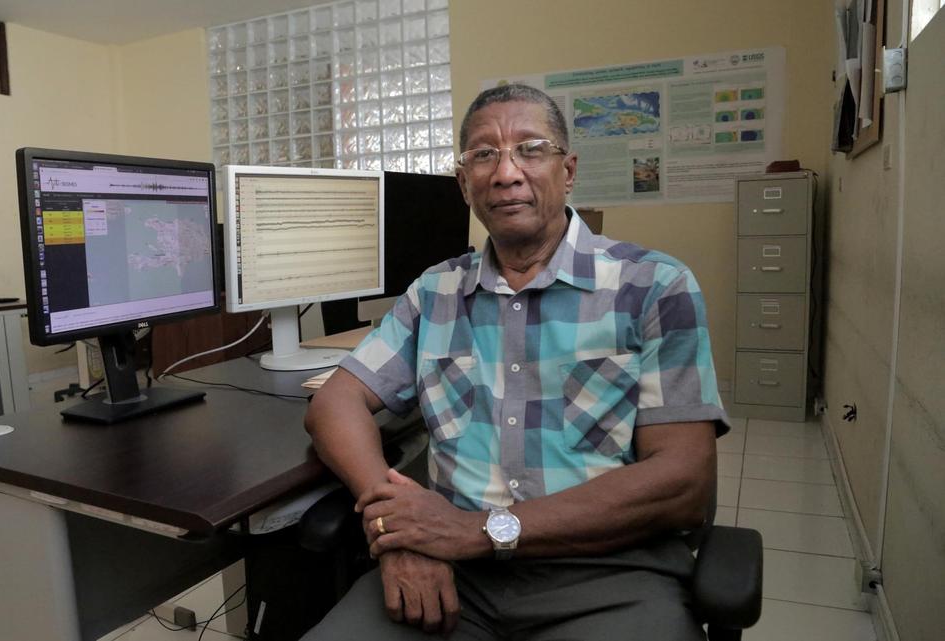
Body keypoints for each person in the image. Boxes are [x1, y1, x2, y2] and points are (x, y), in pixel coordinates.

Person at [301, 84, 729, 641]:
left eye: (530, 148)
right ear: (464, 183)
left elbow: (682, 483)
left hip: (607, 572)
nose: (506, 173)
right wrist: (396, 526)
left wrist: (477, 530)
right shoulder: (435, 291)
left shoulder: (653, 285)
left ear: (568, 169)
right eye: (483, 155)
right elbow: (335, 401)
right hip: (453, 573)